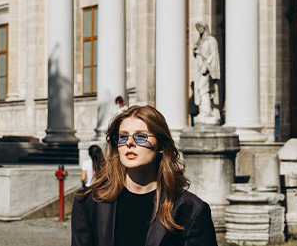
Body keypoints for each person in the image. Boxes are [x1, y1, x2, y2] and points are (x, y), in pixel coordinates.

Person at [71, 104, 217, 246]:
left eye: (141, 137)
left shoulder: (189, 209)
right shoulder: (89, 203)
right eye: (123, 137)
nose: (129, 142)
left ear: (160, 145)